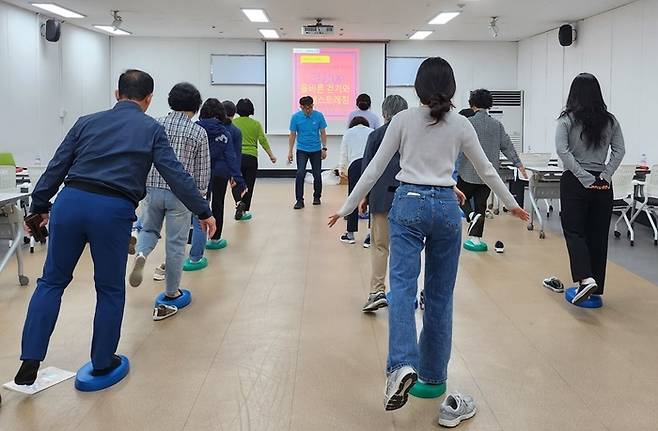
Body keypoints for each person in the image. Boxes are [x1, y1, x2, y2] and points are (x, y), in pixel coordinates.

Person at [328, 57, 529, 420]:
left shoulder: (403, 120)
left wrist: (346, 208)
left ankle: (402, 365)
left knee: (402, 289)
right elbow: (486, 168)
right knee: (439, 296)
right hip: (446, 209)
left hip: (408, 204)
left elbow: (373, 169)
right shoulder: (462, 124)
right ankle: (433, 372)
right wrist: (512, 204)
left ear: (418, 88)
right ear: (451, 89)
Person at [14, 70, 215, 386]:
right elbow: (175, 173)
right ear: (148, 99)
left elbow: (57, 166)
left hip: (70, 202)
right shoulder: (151, 128)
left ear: (117, 94)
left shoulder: (86, 122)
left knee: (50, 282)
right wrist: (203, 211)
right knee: (109, 288)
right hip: (112, 210)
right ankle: (103, 361)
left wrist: (38, 207)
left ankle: (29, 360)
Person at [129, 82, 211, 321]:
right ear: (196, 107)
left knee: (149, 229)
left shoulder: (155, 124)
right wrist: (201, 203)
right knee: (175, 245)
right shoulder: (197, 132)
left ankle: (142, 253)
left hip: (152, 189)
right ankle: (171, 292)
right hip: (181, 195)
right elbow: (202, 171)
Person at [556, 73, 625, 306]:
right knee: (597, 235)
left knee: (574, 232)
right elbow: (620, 151)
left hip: (575, 181)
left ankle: (585, 279)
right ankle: (595, 288)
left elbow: (563, 151)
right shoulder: (611, 120)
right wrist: (604, 175)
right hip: (603, 185)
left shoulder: (567, 119)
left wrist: (583, 177)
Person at [457, 89, 527, 252]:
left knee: (460, 198)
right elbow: (507, 146)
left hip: (468, 172)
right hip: (488, 176)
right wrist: (518, 164)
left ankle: (470, 216)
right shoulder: (497, 125)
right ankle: (475, 238)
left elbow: (457, 146)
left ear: (472, 104)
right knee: (481, 205)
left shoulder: (468, 123)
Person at [358, 95, 408, 313]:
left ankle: (376, 291)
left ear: (384, 113)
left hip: (381, 197)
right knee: (406, 247)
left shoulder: (376, 135)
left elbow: (368, 169)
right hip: (409, 197)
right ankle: (404, 293)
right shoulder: (412, 135)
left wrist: (363, 197)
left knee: (380, 245)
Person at [185, 98, 247, 271]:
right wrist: (237, 179)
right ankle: (215, 237)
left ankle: (194, 241)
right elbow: (234, 156)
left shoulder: (195, 129)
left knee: (198, 207)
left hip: (196, 174)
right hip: (221, 171)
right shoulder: (230, 132)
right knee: (217, 203)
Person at [233, 98, 277, 219]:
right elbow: (263, 141)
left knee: (236, 183)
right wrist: (271, 155)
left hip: (236, 158)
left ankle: (238, 203)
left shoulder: (233, 123)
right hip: (251, 158)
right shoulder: (256, 124)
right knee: (249, 185)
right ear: (251, 110)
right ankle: (245, 211)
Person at [288, 96, 328, 209]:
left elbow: (323, 133)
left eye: (310, 107)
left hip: (316, 149)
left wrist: (324, 148)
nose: (308, 110)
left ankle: (317, 197)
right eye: (305, 108)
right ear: (301, 107)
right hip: (302, 150)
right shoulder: (295, 117)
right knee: (300, 173)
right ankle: (299, 200)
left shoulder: (319, 116)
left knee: (317, 174)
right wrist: (290, 151)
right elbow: (292, 135)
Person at [338, 116, 372, 243]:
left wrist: (341, 168)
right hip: (369, 165)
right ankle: (370, 235)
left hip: (355, 165)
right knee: (371, 198)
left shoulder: (348, 133)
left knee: (353, 197)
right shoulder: (371, 131)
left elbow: (343, 152)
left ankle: (350, 234)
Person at [222, 100, 249, 220]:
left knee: (216, 196)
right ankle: (238, 202)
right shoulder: (235, 131)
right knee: (234, 185)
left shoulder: (216, 128)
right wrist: (235, 173)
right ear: (234, 113)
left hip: (216, 165)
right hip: (231, 163)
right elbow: (237, 153)